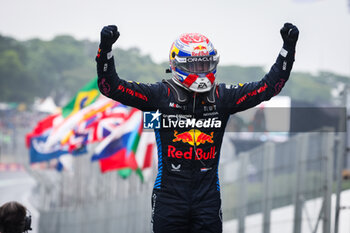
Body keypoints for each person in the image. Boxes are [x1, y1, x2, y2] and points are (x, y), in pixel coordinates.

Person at [96, 23, 299, 233]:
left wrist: (287, 49)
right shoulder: (159, 95)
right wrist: (106, 50)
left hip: (207, 199)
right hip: (169, 198)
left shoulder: (223, 97)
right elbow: (111, 87)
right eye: (195, 66)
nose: (201, 71)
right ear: (177, 65)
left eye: (206, 64)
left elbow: (267, 88)